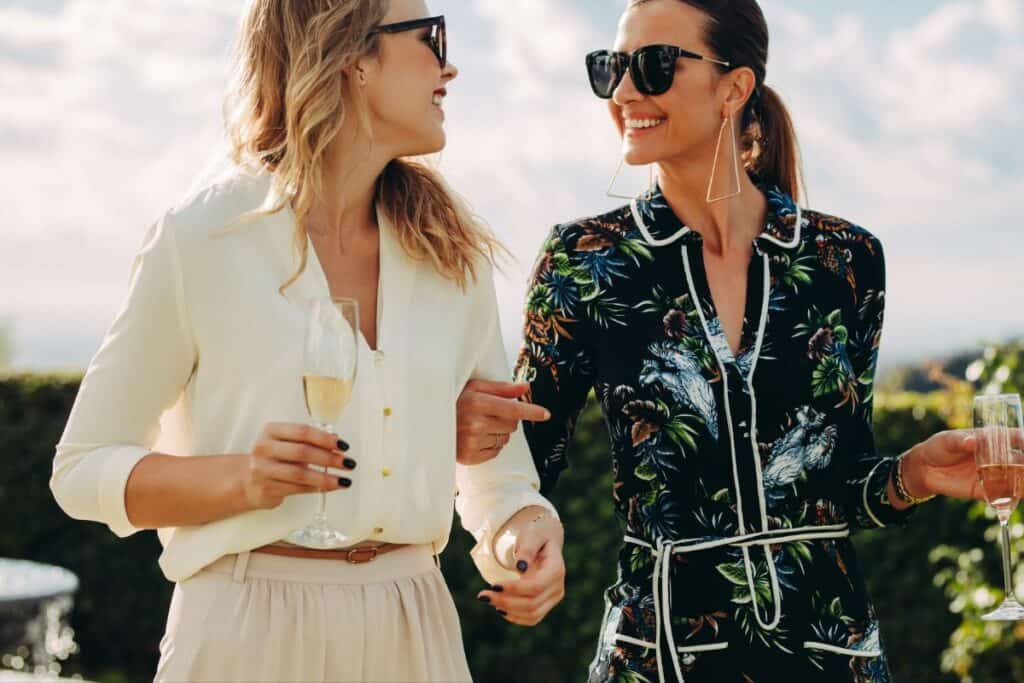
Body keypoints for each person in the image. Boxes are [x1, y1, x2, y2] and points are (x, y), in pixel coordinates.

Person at [50, 1, 564, 681]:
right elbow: (81, 469)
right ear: (353, 57)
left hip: (414, 630)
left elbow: (495, 478)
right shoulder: (205, 238)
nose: (450, 65)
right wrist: (242, 478)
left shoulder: (451, 255)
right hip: (241, 631)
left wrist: (522, 533)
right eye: (429, 38)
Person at [472, 1, 984, 681]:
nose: (624, 92)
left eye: (652, 66)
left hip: (831, 658)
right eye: (611, 69)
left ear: (734, 88)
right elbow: (518, 462)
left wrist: (912, 475)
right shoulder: (585, 261)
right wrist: (520, 546)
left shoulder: (846, 260)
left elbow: (840, 485)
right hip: (659, 660)